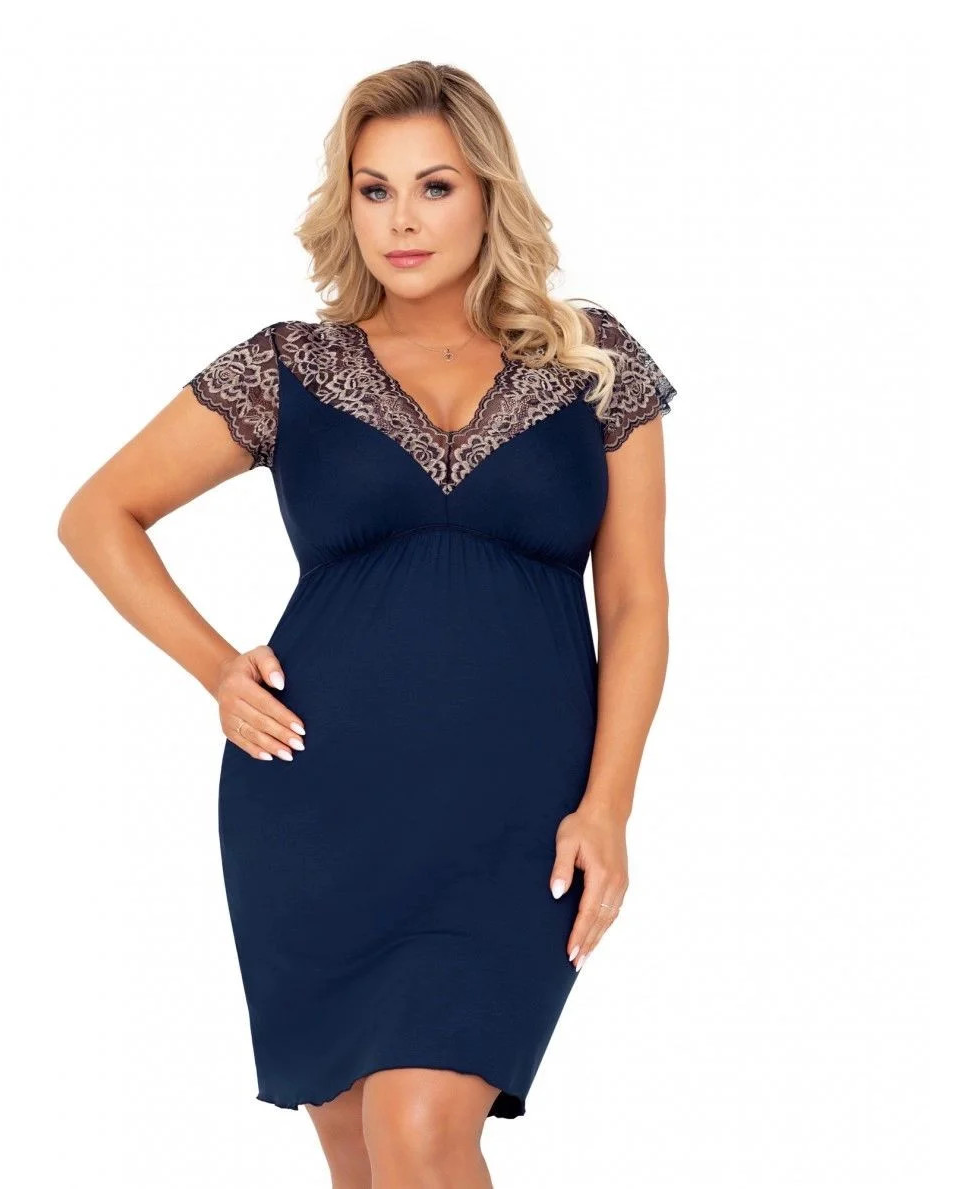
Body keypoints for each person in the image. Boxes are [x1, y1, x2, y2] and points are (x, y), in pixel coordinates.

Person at [58, 59, 677, 1189]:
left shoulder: (592, 362)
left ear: (488, 193)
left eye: (434, 187)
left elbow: (635, 599)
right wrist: (218, 669)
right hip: (319, 804)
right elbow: (98, 515)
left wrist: (609, 804)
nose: (401, 219)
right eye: (374, 188)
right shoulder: (289, 367)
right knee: (366, 1155)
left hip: (518, 815)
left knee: (422, 1130)